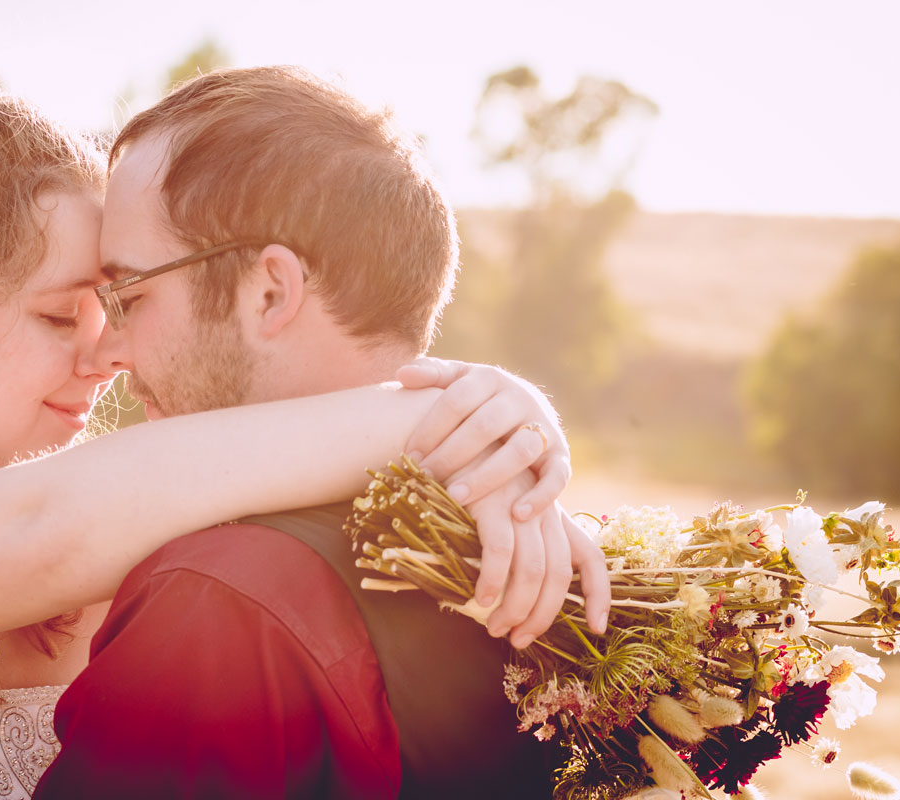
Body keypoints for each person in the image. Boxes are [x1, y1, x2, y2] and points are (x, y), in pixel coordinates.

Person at [0, 87, 585, 798]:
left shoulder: (119, 549)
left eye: (120, 306)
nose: (104, 356)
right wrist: (448, 414)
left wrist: (492, 435)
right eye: (62, 315)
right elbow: (42, 526)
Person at [34, 66, 608, 800]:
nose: (109, 351)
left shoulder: (218, 602)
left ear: (271, 291)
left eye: (131, 296)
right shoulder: (535, 552)